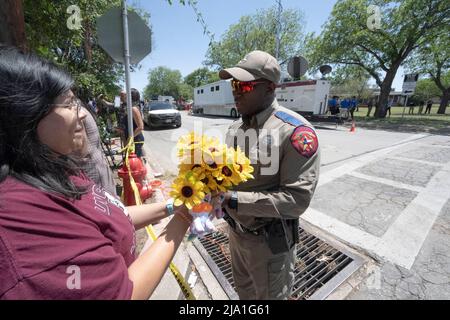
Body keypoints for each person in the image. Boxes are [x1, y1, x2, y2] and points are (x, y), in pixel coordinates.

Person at [0, 45, 194, 299]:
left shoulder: (53, 168)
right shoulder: (23, 219)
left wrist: (173, 206)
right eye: (70, 104)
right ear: (25, 115)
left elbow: (112, 214)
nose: (82, 114)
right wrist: (184, 219)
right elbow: (125, 293)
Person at [218, 50, 320, 300]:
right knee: (245, 296)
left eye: (245, 84)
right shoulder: (235, 128)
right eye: (234, 83)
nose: (236, 90)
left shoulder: (295, 131)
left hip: (268, 245)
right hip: (235, 234)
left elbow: (296, 201)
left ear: (270, 88)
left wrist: (231, 199)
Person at [74, 105, 117, 196]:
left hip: (90, 170)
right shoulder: (81, 108)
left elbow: (82, 150)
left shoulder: (75, 112)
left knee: (103, 204)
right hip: (98, 166)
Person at [117, 89, 145, 158]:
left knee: (135, 164)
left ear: (130, 97)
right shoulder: (129, 108)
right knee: (131, 162)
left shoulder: (133, 109)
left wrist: (129, 140)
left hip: (135, 140)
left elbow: (140, 127)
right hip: (131, 140)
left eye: (126, 95)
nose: (124, 96)